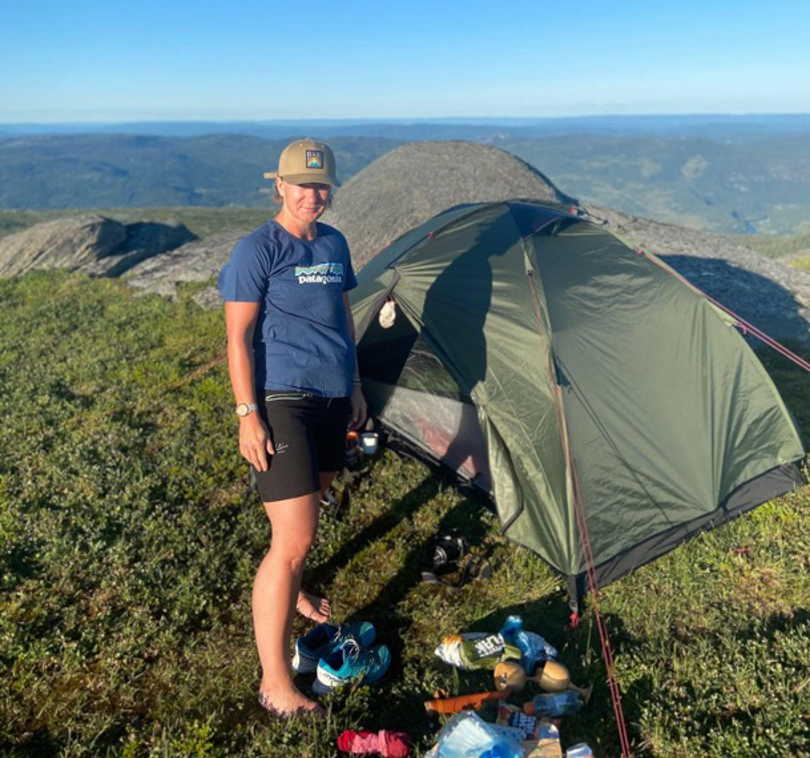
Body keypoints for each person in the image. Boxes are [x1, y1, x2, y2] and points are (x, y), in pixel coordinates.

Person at [218, 138, 366, 717]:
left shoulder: (335, 242)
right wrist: (247, 414)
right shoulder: (258, 248)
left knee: (311, 508)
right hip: (282, 399)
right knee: (295, 538)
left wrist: (353, 386)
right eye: (302, 185)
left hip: (332, 398)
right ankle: (276, 684)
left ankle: (294, 586)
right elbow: (236, 338)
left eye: (322, 185)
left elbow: (342, 314)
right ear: (278, 186)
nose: (314, 195)